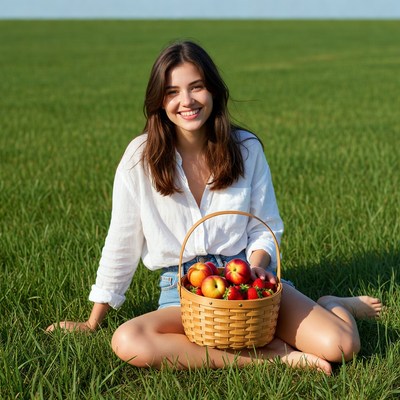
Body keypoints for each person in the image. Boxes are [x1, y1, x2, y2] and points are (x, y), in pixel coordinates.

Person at [47, 40, 382, 375]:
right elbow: (121, 242)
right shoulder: (140, 158)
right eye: (172, 92)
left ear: (213, 92)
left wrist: (254, 269)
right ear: (159, 101)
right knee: (128, 340)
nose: (187, 101)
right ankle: (273, 358)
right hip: (183, 289)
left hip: (247, 278)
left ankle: (332, 305)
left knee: (342, 345)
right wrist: (93, 321)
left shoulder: (245, 149)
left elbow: (265, 227)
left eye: (197, 87)